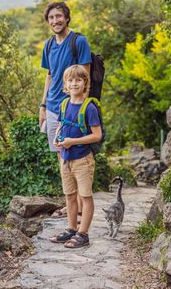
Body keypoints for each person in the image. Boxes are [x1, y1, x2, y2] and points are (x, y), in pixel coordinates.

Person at [38, 1, 91, 219]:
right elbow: (49, 76)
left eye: (59, 16)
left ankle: (78, 207)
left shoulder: (78, 41)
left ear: (67, 18)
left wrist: (79, 109)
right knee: (61, 156)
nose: (55, 21)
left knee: (74, 155)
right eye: (51, 18)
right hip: (52, 108)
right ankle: (71, 204)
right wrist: (42, 105)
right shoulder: (49, 45)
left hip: (71, 108)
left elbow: (85, 77)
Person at [49, 65, 102, 248]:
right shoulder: (64, 104)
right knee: (70, 195)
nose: (74, 83)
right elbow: (61, 125)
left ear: (85, 83)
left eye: (78, 80)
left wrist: (73, 141)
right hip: (65, 158)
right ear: (65, 84)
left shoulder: (89, 108)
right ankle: (71, 229)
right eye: (70, 80)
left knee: (85, 196)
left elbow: (97, 135)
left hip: (82, 159)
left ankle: (83, 234)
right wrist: (58, 137)